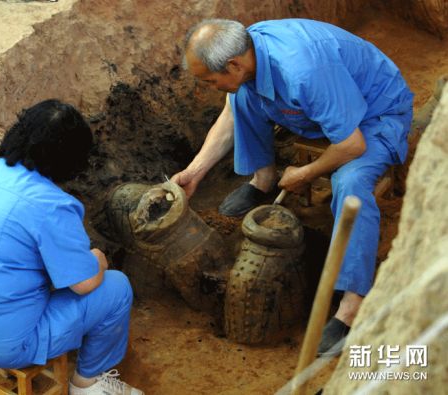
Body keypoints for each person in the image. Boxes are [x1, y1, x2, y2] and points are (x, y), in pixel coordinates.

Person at [173, 19, 413, 356]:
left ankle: (353, 304)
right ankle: (264, 179)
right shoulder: (247, 47)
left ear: (234, 64)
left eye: (210, 80)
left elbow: (352, 146)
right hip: (329, 102)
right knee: (239, 97)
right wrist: (194, 171)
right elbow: (230, 115)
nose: (210, 87)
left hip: (375, 113)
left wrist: (305, 174)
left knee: (350, 181)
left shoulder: (302, 70)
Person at [0, 100, 144, 395]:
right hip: (4, 343)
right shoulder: (52, 205)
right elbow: (84, 284)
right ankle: (87, 383)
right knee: (116, 287)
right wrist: (99, 260)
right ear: (71, 158)